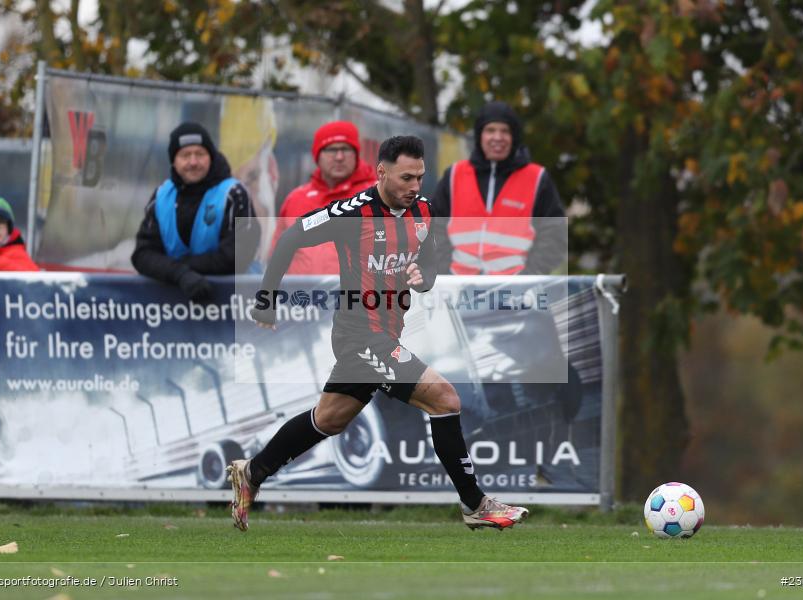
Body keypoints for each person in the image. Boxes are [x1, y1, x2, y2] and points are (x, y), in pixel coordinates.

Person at [227, 135, 529, 531]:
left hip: (388, 332)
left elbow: (430, 263)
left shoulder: (424, 211)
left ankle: (251, 472)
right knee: (445, 398)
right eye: (406, 177)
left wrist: (423, 278)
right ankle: (475, 504)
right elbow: (290, 236)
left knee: (329, 419)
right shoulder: (352, 213)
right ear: (381, 171)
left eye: (420, 177)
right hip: (360, 335)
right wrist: (265, 300)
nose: (415, 186)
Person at [432, 101, 565, 275]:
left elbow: (555, 236)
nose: (497, 137)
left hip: (516, 294)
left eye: (505, 131)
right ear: (480, 135)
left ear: (514, 137)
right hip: (458, 290)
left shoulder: (537, 178)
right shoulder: (455, 175)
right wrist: (447, 271)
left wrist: (527, 277)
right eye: (490, 130)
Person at [131, 122, 259, 301]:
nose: (193, 162)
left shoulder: (234, 194)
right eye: (185, 155)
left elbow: (238, 256)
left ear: (211, 157)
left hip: (233, 306)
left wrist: (183, 267)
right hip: (171, 307)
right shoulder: (161, 196)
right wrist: (180, 274)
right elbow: (143, 255)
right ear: (174, 161)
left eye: (200, 154)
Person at [271, 120, 376, 274]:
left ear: (356, 155)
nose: (339, 157)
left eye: (346, 149)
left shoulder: (379, 195)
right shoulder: (296, 198)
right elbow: (277, 255)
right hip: (302, 295)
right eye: (331, 149)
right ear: (317, 155)